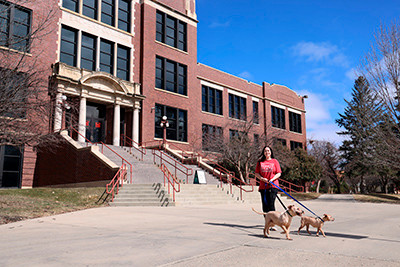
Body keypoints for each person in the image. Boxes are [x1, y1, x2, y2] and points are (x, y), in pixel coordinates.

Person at [255, 145, 282, 223]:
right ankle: (268, 222)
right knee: (265, 206)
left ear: (271, 152)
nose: (267, 152)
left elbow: (279, 173)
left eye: (268, 151)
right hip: (263, 186)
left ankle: (273, 222)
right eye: (265, 151)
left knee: (271, 204)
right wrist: (262, 179)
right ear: (263, 153)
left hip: (273, 185)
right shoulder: (260, 162)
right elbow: (256, 173)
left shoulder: (275, 161)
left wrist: (272, 179)